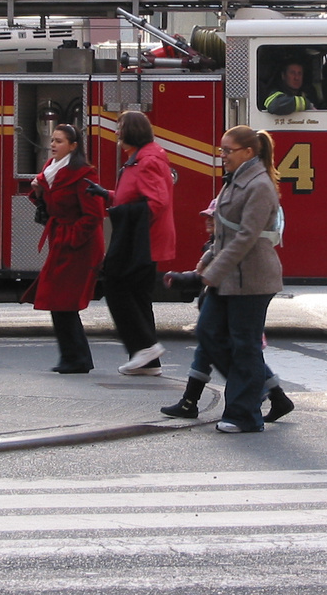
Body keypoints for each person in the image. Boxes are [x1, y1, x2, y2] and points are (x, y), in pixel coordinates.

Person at [159, 198, 294, 423]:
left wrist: (182, 279)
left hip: (228, 316)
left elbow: (206, 277)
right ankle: (190, 402)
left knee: (239, 355)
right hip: (217, 314)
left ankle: (256, 396)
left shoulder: (223, 249)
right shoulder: (214, 247)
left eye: (213, 219)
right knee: (211, 352)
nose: (208, 223)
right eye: (207, 219)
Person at [195, 125, 285, 433]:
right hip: (229, 276)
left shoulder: (259, 185)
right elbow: (223, 231)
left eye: (227, 151)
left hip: (252, 279)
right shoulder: (236, 180)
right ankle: (251, 388)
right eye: (221, 150)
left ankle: (244, 414)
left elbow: (246, 237)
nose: (222, 156)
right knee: (208, 332)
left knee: (244, 344)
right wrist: (207, 262)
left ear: (249, 152)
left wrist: (213, 271)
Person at [26, 124, 105, 373]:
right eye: (52, 140)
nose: (53, 145)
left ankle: (76, 358)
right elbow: (50, 204)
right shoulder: (50, 170)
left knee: (63, 300)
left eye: (59, 141)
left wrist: (71, 238)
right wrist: (39, 192)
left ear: (73, 146)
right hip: (61, 240)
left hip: (78, 246)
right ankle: (74, 357)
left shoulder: (84, 174)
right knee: (58, 300)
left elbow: (93, 216)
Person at [105, 110, 176, 374]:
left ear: (132, 131)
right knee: (137, 294)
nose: (116, 132)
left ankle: (145, 346)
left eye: (120, 127)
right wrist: (109, 196)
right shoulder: (142, 158)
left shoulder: (146, 160)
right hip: (143, 238)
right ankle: (148, 361)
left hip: (141, 240)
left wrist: (119, 211)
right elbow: (135, 196)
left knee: (116, 285)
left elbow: (156, 203)